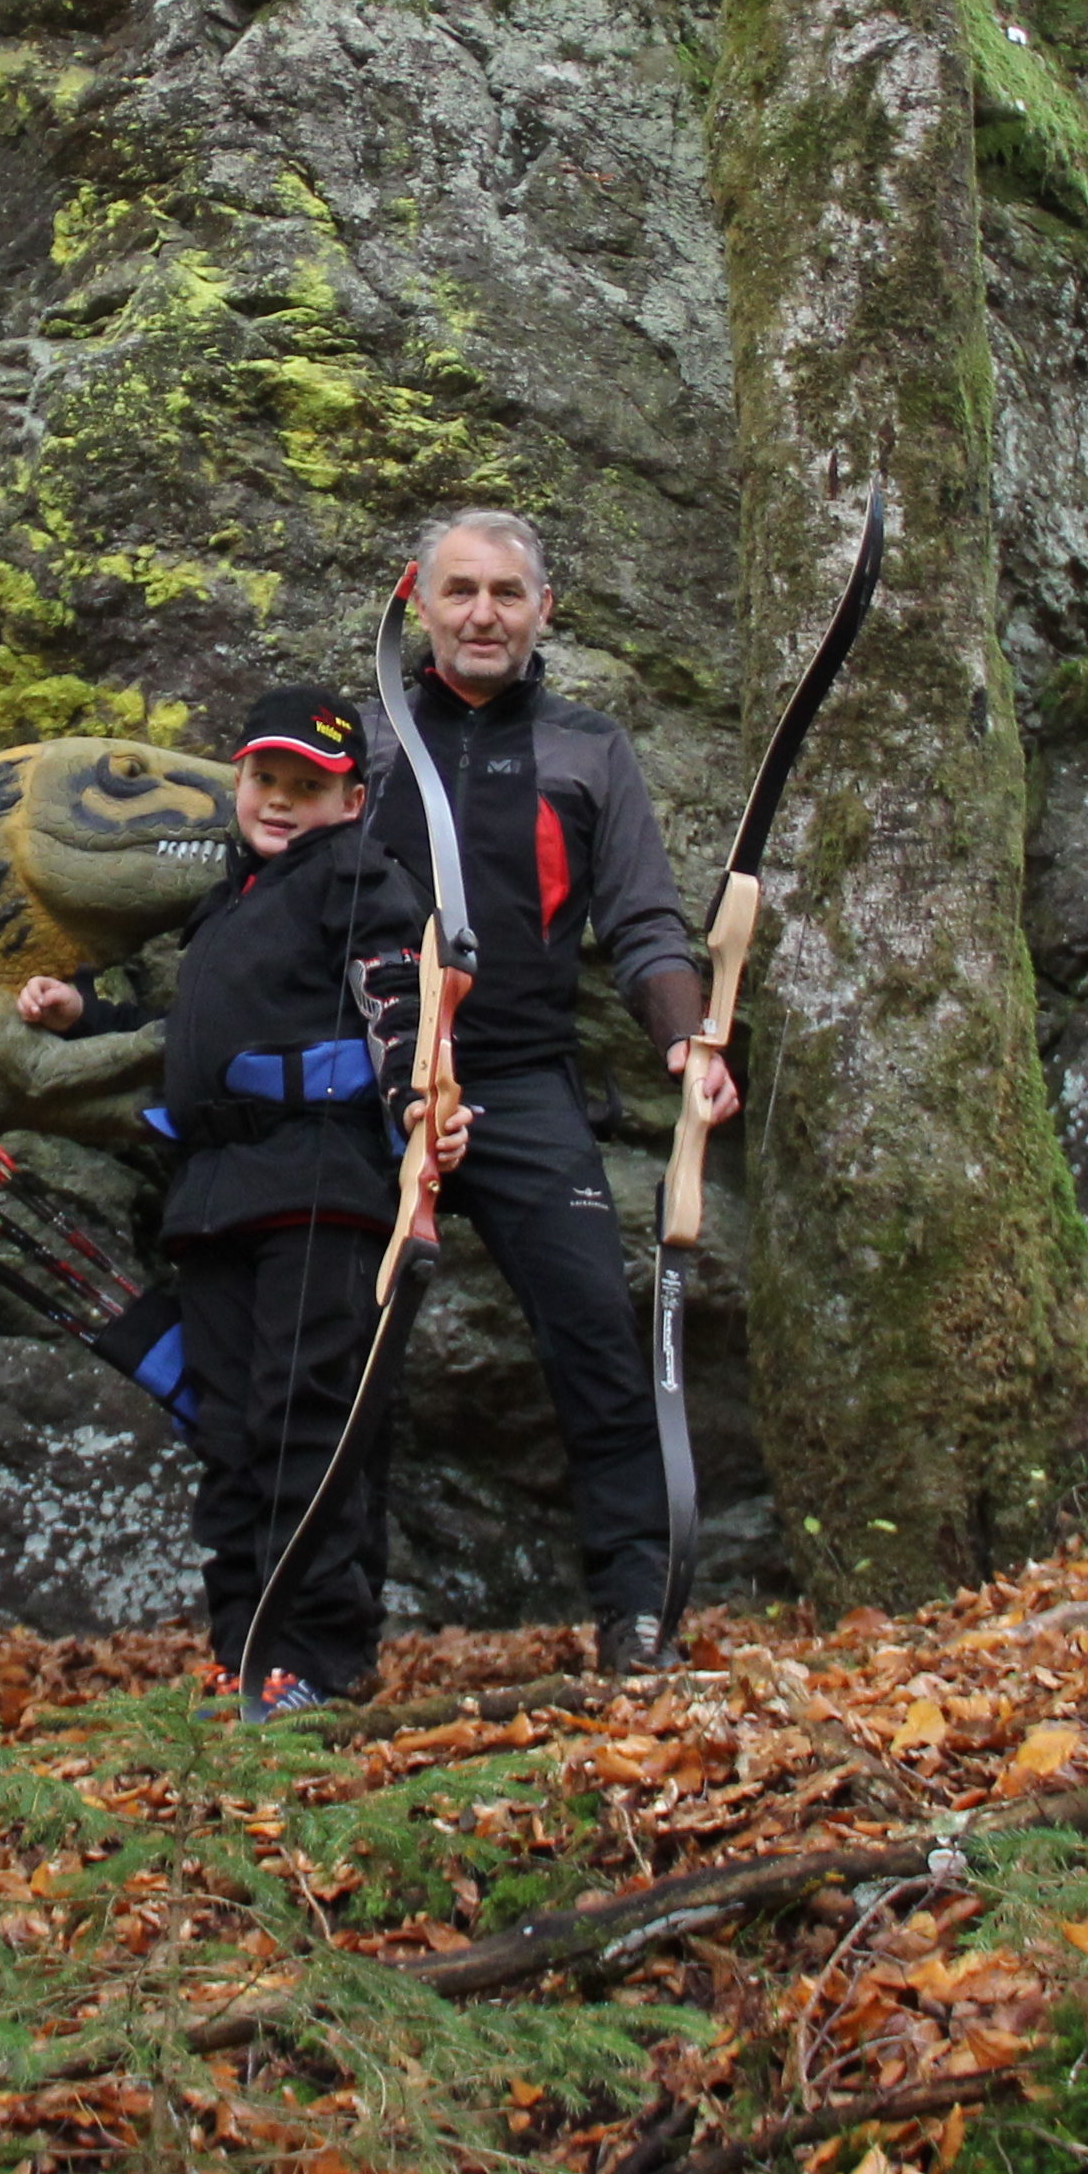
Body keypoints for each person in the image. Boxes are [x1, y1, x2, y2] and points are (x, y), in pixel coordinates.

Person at [355, 506, 737, 1677]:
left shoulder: (590, 749)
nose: (482, 615)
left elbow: (641, 917)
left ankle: (637, 1615)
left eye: (507, 594)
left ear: (543, 610)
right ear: (419, 600)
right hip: (377, 1087)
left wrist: (688, 1039)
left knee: (597, 1349)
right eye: (461, 591)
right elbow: (276, 889)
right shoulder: (364, 739)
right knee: (342, 1360)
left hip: (522, 1085)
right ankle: (324, 1641)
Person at [104, 683, 470, 1716]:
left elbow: (399, 998)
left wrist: (418, 1103)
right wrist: (85, 1015)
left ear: (350, 801)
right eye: (264, 777)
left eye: (306, 785)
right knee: (228, 1428)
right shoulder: (228, 903)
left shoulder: (355, 875)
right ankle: (242, 1647)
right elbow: (194, 1040)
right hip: (217, 1196)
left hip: (321, 1190)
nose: (277, 798)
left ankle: (317, 1654)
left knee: (306, 1418)